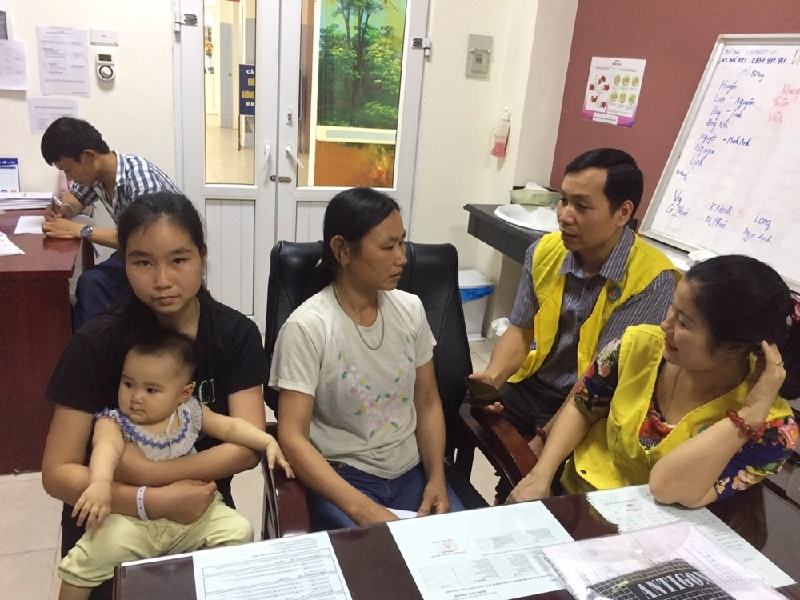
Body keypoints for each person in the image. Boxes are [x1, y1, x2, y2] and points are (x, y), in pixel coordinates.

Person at [42, 191, 267, 600]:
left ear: (202, 255)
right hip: (110, 513)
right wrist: (151, 500)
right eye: (143, 262)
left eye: (179, 260)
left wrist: (152, 475)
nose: (162, 280)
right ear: (124, 261)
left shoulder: (235, 335)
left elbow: (246, 447)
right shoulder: (96, 342)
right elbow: (58, 472)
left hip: (200, 507)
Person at [509, 255, 800, 507]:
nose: (665, 325)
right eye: (672, 308)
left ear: (734, 347)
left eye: (683, 323)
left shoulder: (772, 429)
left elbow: (666, 488)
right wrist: (541, 475)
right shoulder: (637, 346)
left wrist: (746, 418)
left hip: (656, 532)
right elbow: (583, 407)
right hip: (576, 497)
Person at [270, 187, 465, 531]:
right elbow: (292, 436)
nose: (402, 258)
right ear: (342, 250)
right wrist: (363, 510)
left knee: (459, 548)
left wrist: (436, 477)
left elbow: (427, 400)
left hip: (412, 473)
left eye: (402, 243)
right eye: (388, 247)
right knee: (372, 558)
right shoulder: (308, 327)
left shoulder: (410, 309)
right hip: (343, 478)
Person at [58, 329, 293, 600]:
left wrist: (267, 441)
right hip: (133, 521)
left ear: (184, 393)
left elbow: (230, 427)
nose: (136, 397)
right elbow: (105, 449)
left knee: (239, 531)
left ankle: (200, 584)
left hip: (195, 514)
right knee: (84, 563)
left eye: (151, 390)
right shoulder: (114, 422)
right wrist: (100, 483)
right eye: (128, 384)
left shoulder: (190, 412)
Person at [471, 148, 679, 445]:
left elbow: (601, 378)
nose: (564, 216)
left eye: (581, 206)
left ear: (623, 213)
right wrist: (492, 380)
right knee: (464, 410)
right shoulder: (545, 251)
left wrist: (545, 439)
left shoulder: (652, 279)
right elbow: (519, 331)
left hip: (594, 403)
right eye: (563, 200)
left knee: (541, 467)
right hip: (534, 382)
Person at [41, 117, 179, 329]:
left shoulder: (141, 181)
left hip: (163, 260)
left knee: (93, 286)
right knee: (91, 284)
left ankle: (99, 345)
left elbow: (144, 240)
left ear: (88, 156)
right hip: (136, 253)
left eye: (68, 170)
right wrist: (65, 210)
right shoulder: (98, 175)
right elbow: (75, 197)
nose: (69, 178)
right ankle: (96, 343)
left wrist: (81, 230)